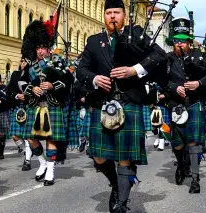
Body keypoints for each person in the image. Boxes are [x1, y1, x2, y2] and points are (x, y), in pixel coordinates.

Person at [76, 0, 167, 212]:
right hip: (103, 104)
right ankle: (116, 184)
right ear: (104, 16)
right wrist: (96, 79)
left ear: (124, 15)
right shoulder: (94, 41)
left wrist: (134, 70)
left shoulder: (136, 35)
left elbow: (160, 56)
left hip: (129, 101)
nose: (112, 16)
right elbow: (81, 70)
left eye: (116, 12)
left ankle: (122, 205)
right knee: (98, 156)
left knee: (124, 158)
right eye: (108, 12)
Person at [165, 17, 206, 193]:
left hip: (194, 103)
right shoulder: (167, 59)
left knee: (194, 143)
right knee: (177, 144)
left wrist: (199, 83)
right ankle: (181, 164)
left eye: (183, 41)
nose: (179, 44)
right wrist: (174, 87)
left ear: (189, 41)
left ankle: (195, 180)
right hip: (175, 105)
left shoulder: (200, 56)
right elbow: (161, 80)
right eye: (176, 40)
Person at [19, 20, 73, 186]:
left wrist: (52, 85)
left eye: (43, 47)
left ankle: (50, 170)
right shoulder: (30, 65)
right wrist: (31, 89)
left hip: (52, 103)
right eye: (38, 47)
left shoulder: (57, 60)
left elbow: (68, 79)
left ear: (49, 47)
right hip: (35, 105)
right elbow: (20, 82)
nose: (40, 50)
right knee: (29, 138)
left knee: (51, 138)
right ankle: (42, 162)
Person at [8, 58, 33, 170]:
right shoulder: (15, 74)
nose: (23, 64)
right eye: (22, 61)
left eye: (25, 62)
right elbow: (10, 88)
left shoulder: (32, 74)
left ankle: (27, 160)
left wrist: (26, 96)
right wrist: (16, 95)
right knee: (14, 135)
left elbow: (35, 89)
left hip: (28, 106)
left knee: (27, 136)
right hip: (17, 106)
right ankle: (25, 150)